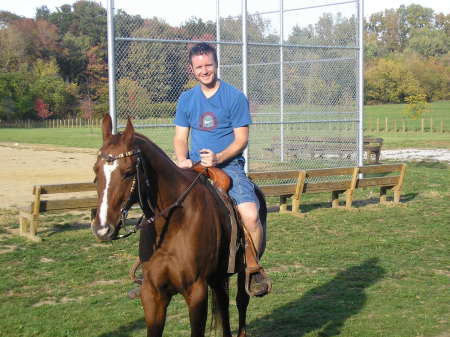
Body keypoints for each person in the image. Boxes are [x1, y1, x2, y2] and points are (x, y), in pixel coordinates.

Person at [173, 42, 270, 297]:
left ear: (216, 65)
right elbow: (180, 137)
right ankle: (150, 267)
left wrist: (218, 158)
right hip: (194, 167)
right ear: (191, 70)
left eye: (209, 65)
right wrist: (182, 158)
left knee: (250, 215)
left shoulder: (234, 97)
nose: (205, 70)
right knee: (162, 207)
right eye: (199, 67)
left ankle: (253, 267)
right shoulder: (186, 99)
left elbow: (241, 140)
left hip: (229, 167)